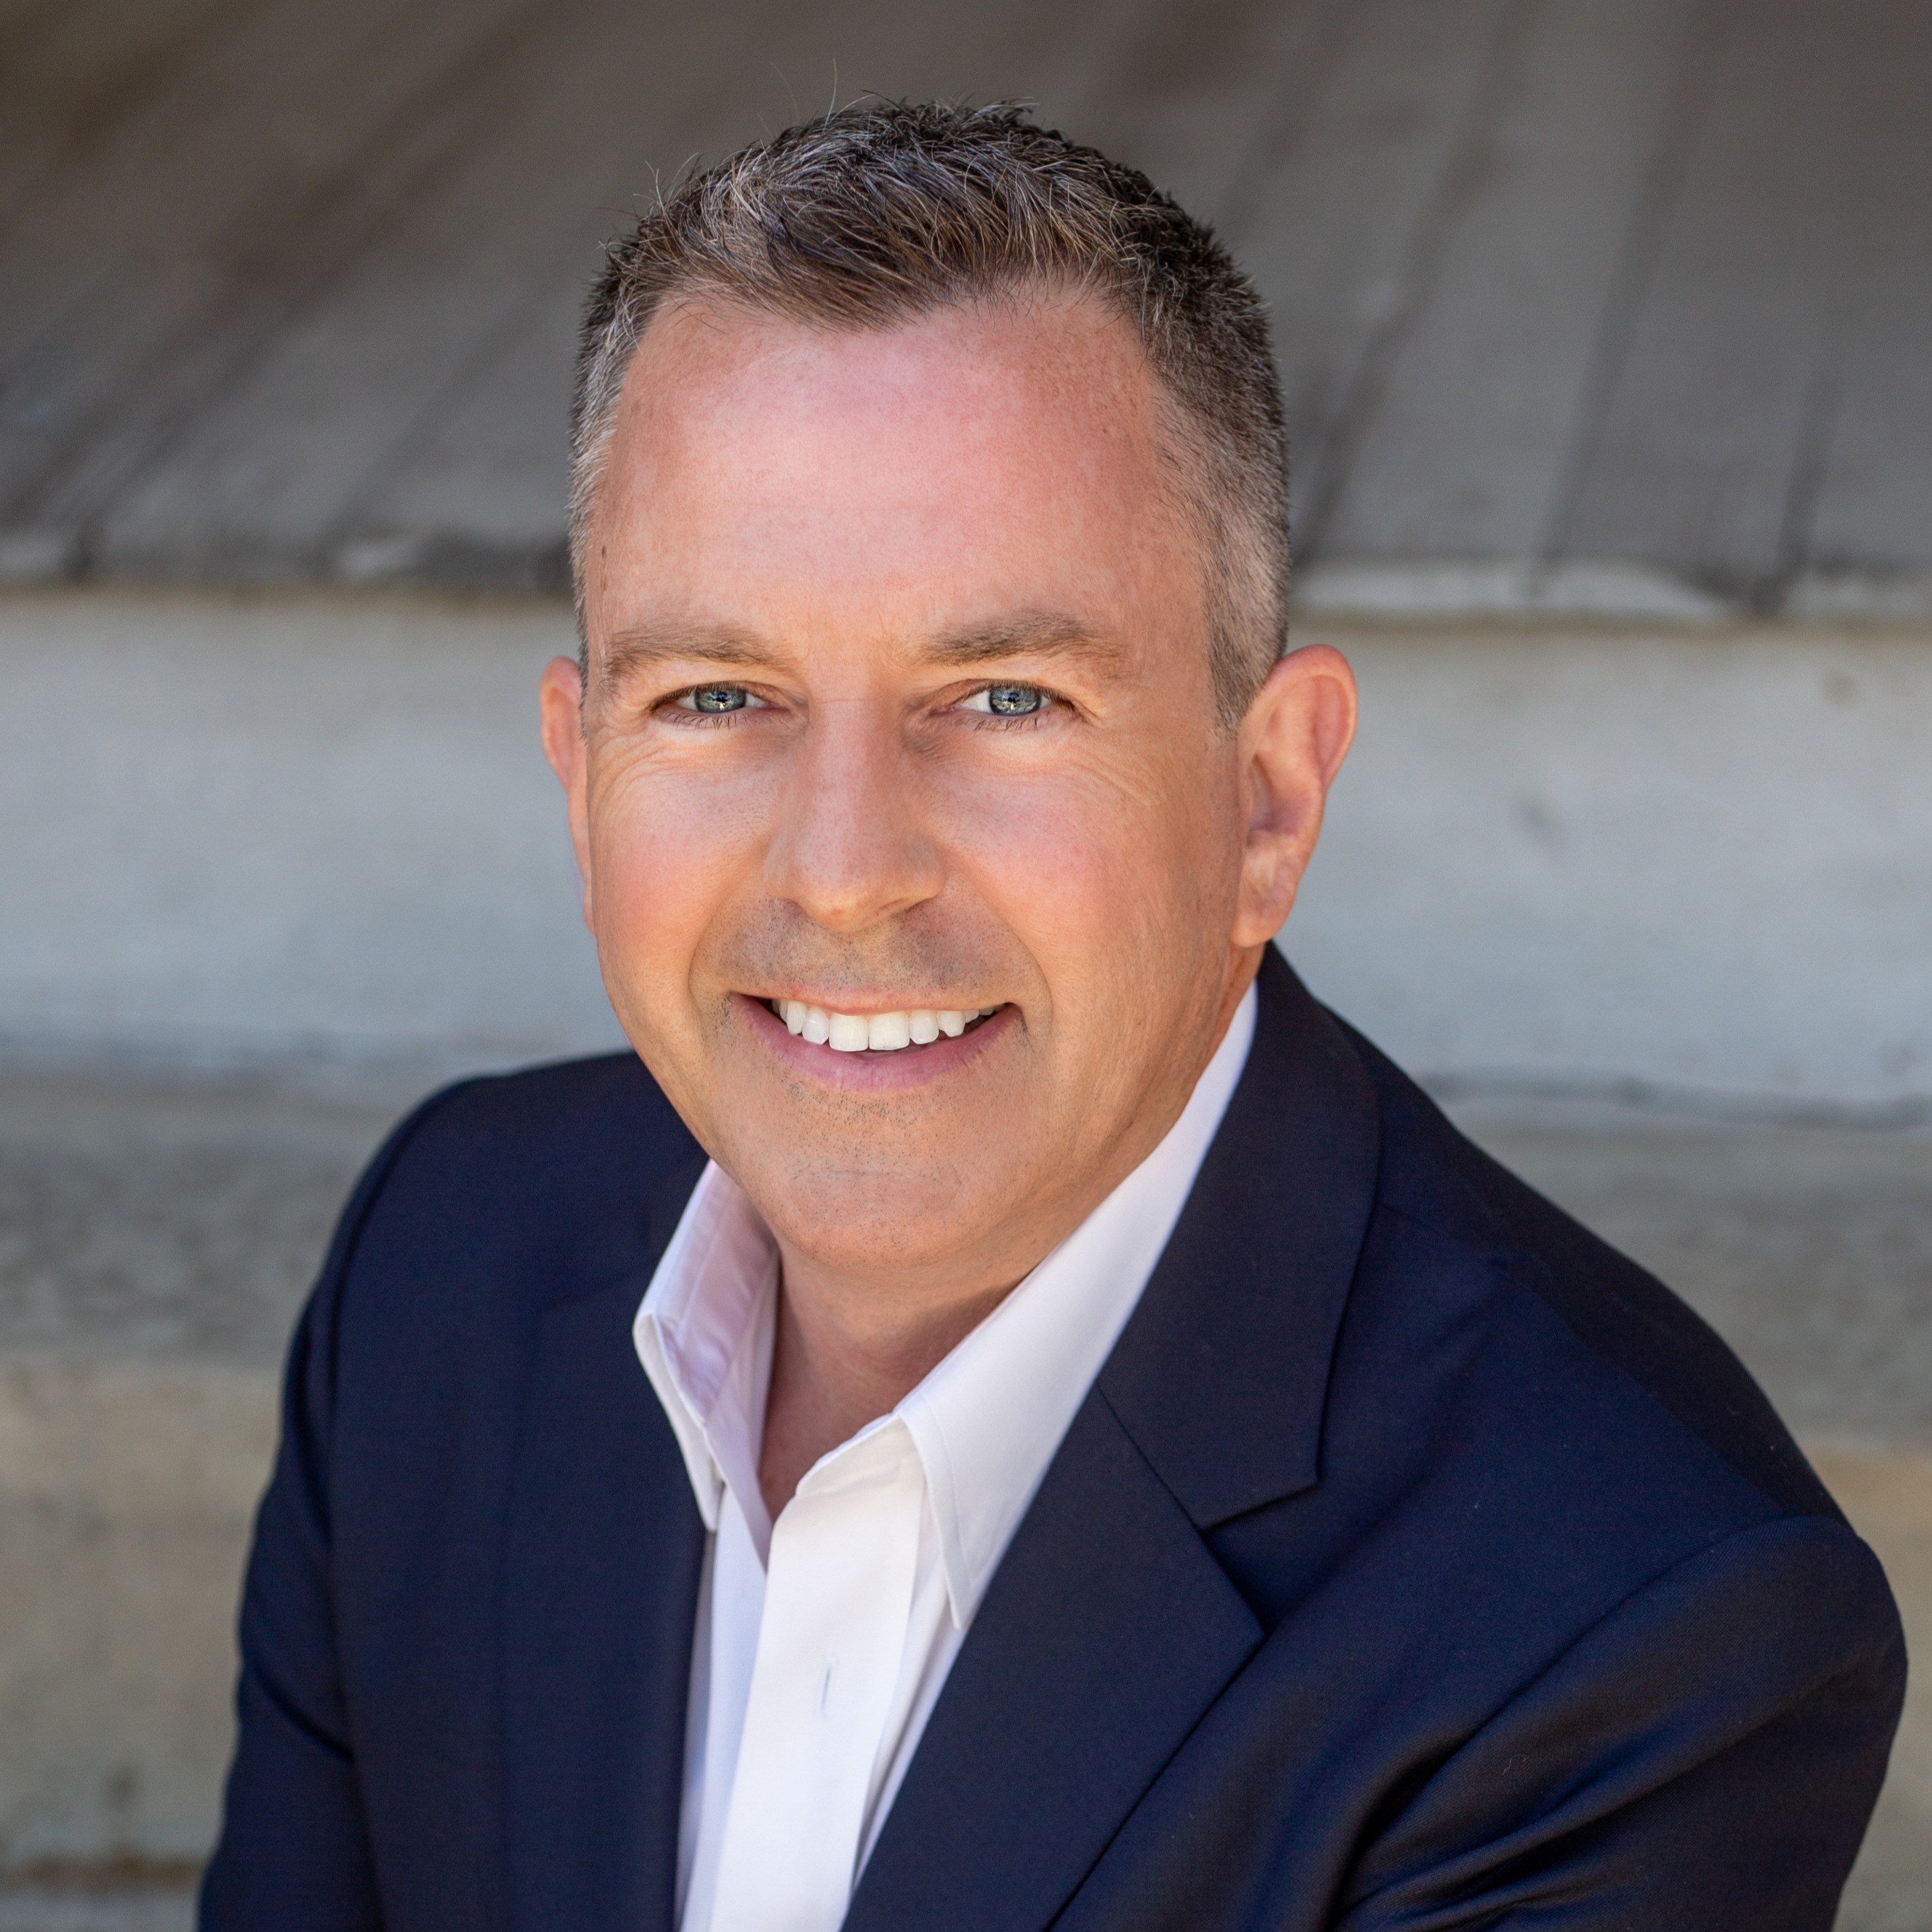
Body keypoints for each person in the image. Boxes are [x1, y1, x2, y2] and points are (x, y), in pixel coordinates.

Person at [201, 102, 1902, 1932]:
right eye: (715, 696)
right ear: (578, 772)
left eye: (1004, 698)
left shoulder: (1628, 1628)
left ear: (1268, 800)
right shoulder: (441, 1272)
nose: (844, 874)